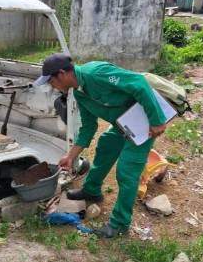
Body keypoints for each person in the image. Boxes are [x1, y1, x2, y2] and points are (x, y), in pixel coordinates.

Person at [34, 53, 167, 238]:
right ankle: (92, 191)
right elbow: (89, 127)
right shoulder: (79, 93)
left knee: (127, 171)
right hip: (123, 124)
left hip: (143, 122)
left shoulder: (96, 73)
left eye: (51, 81)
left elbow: (138, 83)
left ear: (62, 74)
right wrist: (71, 156)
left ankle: (120, 224)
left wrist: (156, 119)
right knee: (105, 145)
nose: (52, 86)